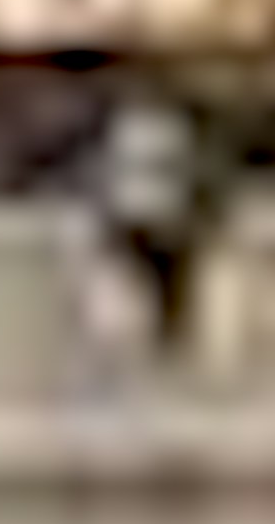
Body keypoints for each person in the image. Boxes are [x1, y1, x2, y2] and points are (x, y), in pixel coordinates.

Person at [94, 71, 220, 360]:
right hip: (140, 212)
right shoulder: (134, 127)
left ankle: (166, 338)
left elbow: (188, 172)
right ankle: (145, 337)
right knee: (138, 282)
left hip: (161, 214)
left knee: (164, 284)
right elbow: (116, 173)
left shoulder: (165, 128)